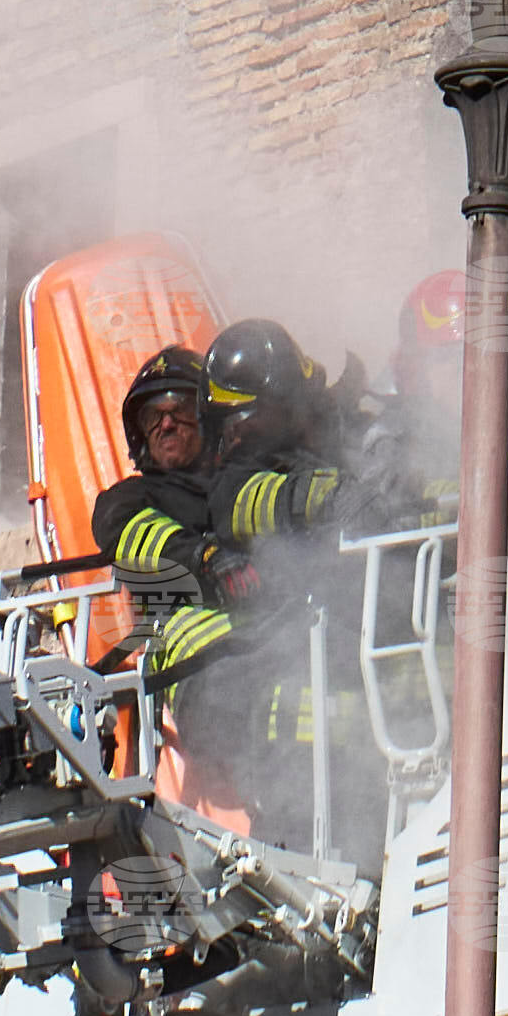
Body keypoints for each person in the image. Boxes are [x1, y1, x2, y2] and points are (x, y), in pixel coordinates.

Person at [94, 319, 362, 831]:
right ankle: (297, 834)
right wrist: (205, 560)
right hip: (207, 664)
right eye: (154, 418)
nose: (166, 425)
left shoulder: (247, 477)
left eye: (179, 412)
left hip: (279, 640)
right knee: (299, 715)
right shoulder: (132, 498)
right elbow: (131, 536)